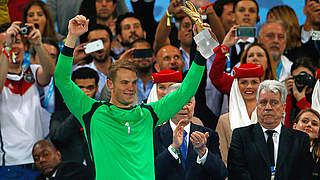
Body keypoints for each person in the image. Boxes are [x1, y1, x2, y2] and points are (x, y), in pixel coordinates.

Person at [54, 14, 207, 179]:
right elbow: (62, 79)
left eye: (134, 82)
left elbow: (186, 91)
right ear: (110, 84)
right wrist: (72, 37)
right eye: (125, 82)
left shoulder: (149, 113)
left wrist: (202, 48)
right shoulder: (91, 112)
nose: (131, 88)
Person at [0, 21, 55, 179]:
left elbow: (49, 72)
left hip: (38, 160)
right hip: (10, 164)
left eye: (17, 42)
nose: (14, 46)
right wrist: (7, 48)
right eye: (6, 42)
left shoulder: (32, 70)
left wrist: (38, 44)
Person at [228, 80, 313, 180]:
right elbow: (237, 173)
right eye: (263, 102)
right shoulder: (241, 136)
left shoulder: (300, 140)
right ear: (257, 107)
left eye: (274, 102)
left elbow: (304, 175)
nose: (268, 107)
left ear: (283, 108)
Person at [153, 83, 227, 180]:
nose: (184, 107)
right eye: (178, 102)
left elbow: (221, 174)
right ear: (167, 105)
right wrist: (173, 148)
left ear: (194, 105)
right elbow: (152, 172)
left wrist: (203, 153)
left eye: (188, 102)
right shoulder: (154, 135)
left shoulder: (208, 135)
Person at [50, 67, 99, 177]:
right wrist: (79, 109)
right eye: (80, 88)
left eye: (90, 88)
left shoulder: (103, 113)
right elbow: (58, 137)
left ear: (96, 88)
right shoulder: (60, 115)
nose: (85, 92)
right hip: (69, 175)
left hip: (98, 173)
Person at [216, 63, 264, 166]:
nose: (249, 86)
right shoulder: (224, 121)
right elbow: (222, 159)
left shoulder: (269, 117)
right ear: (236, 85)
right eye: (244, 82)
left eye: (254, 82)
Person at [210, 26, 276, 95]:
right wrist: (225, 46)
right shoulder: (235, 85)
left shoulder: (275, 88)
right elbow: (216, 77)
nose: (255, 58)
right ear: (244, 62)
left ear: (268, 63)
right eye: (250, 55)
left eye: (259, 55)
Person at [74, 23, 113, 99]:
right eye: (94, 42)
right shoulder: (80, 71)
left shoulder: (122, 68)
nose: (99, 46)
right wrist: (73, 60)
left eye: (103, 41)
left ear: (111, 43)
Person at [284, 57, 316, 128]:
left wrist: (301, 100)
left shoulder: (318, 95)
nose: (303, 81)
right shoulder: (290, 99)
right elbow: (286, 129)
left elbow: (315, 123)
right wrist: (288, 95)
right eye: (299, 78)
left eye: (306, 76)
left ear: (314, 77)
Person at [292, 108, 320, 180]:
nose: (309, 125)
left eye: (314, 124)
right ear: (294, 127)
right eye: (304, 121)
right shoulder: (279, 149)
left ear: (318, 134)